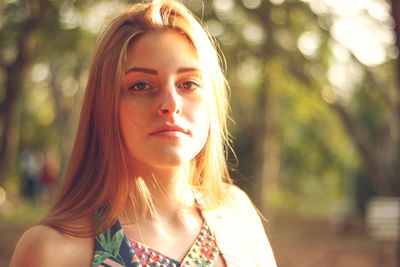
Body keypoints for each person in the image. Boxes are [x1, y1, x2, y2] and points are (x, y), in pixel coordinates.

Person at [10, 1, 276, 266]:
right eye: (141, 85)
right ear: (105, 104)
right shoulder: (53, 250)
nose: (171, 104)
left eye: (189, 83)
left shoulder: (235, 215)